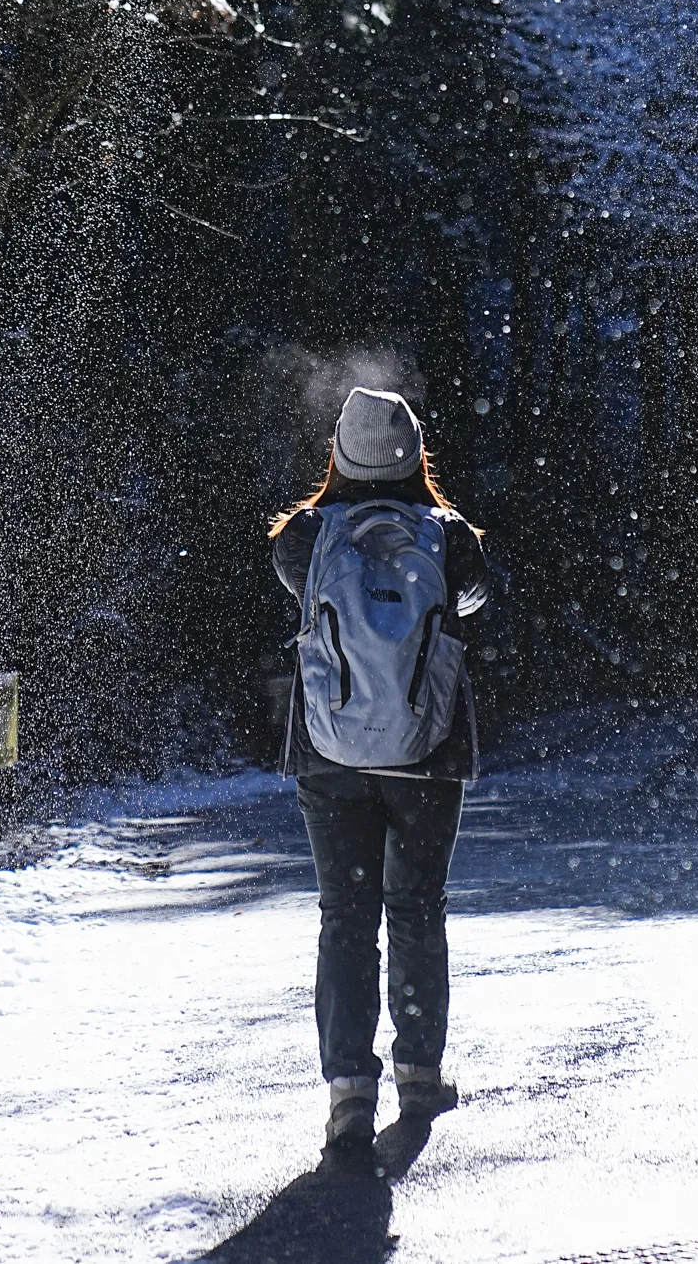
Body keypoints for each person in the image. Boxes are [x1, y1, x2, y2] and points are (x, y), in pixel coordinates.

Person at [271, 385, 491, 1150]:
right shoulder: (451, 536)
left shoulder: (303, 538)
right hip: (427, 752)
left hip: (330, 755)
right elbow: (473, 601)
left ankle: (348, 1092)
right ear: (414, 452)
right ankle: (420, 1075)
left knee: (346, 915)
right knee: (417, 909)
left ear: (337, 452)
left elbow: (299, 595)